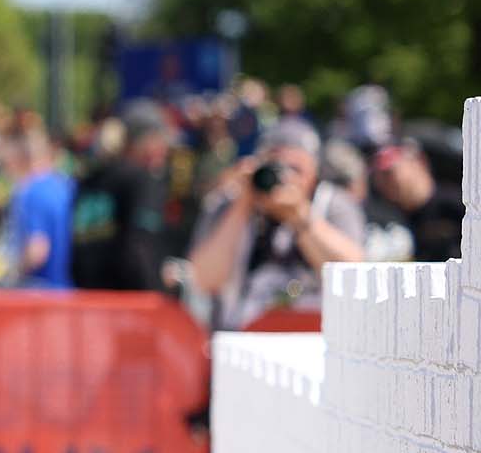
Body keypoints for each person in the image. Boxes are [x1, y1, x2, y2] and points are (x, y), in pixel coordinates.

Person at [189, 116, 366, 329]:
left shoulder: (333, 204)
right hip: (240, 342)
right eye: (277, 168)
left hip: (318, 340)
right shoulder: (228, 204)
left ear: (315, 169)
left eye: (295, 169)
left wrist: (300, 217)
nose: (285, 179)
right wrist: (242, 204)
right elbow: (204, 280)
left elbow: (354, 275)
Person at [70, 103, 177, 292]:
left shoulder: (88, 181)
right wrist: (157, 293)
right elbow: (141, 251)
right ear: (145, 142)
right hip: (131, 306)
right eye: (162, 141)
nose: (166, 151)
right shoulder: (142, 181)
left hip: (88, 301)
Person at [367, 140, 459, 264]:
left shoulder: (457, 204)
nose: (382, 182)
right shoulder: (387, 215)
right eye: (377, 176)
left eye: (389, 173)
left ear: (419, 162)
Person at [5, 129, 77, 288]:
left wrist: (9, 276)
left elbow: (37, 250)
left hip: (40, 292)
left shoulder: (31, 192)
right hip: (67, 290)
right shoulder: (66, 186)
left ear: (19, 160)